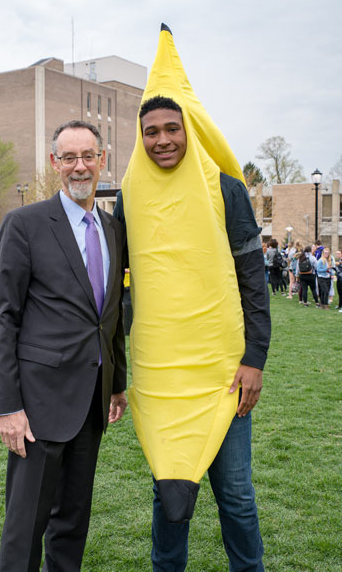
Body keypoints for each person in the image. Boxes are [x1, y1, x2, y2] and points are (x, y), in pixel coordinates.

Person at [115, 95, 270, 571]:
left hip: (221, 377)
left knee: (236, 496)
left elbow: (253, 281)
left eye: (171, 129)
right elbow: (120, 289)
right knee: (169, 495)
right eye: (151, 131)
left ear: (190, 132)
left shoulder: (226, 190)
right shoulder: (128, 196)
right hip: (162, 380)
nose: (162, 139)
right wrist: (118, 370)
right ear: (141, 140)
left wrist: (254, 359)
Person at [0, 120, 127, 572]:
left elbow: (109, 316)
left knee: (72, 525)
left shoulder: (113, 230)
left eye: (88, 156)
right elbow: (3, 318)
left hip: (91, 403)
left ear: (102, 160)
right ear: (55, 164)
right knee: (25, 528)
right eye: (69, 157)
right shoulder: (25, 224)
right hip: (38, 408)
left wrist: (117, 384)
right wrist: (8, 406)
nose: (79, 166)